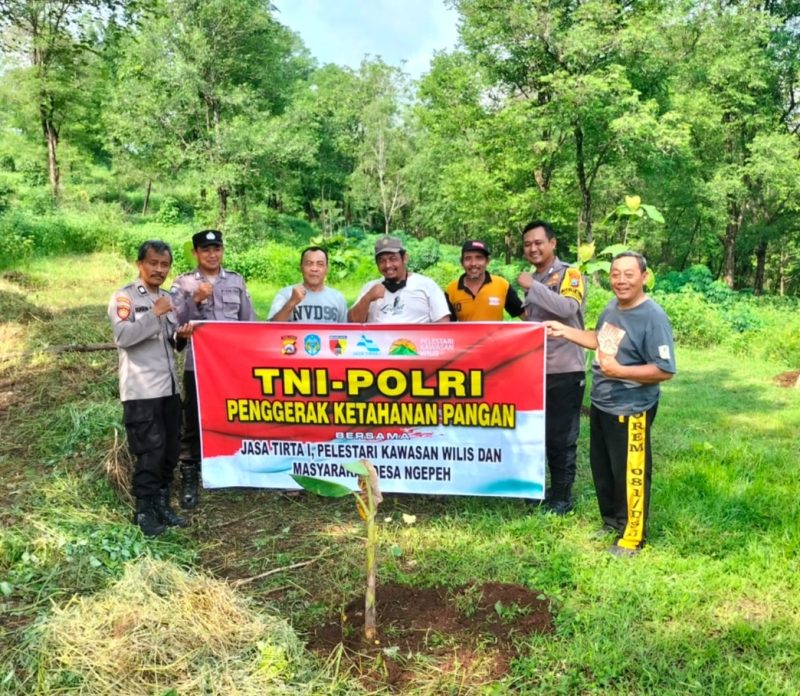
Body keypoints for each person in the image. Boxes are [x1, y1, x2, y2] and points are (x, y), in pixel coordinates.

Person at [545, 251, 676, 556]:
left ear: (644, 277)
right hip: (603, 405)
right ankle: (613, 522)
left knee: (631, 473)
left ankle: (632, 537)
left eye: (629, 274)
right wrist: (565, 331)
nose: (621, 280)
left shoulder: (653, 317)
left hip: (631, 409)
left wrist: (621, 371)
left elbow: (665, 369)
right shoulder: (612, 308)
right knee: (604, 469)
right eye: (616, 273)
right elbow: (601, 339)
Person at [108, 240, 193, 536]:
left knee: (170, 452)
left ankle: (162, 505)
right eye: (153, 263)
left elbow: (171, 344)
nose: (159, 269)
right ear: (140, 264)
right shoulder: (126, 298)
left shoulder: (168, 299)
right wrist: (153, 313)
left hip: (168, 390)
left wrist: (182, 336)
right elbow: (123, 337)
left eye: (164, 264)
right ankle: (143, 512)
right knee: (151, 453)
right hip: (142, 392)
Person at [170, 229, 256, 509]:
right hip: (199, 367)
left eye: (216, 248)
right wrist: (195, 300)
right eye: (205, 249)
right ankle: (191, 474)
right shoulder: (183, 284)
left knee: (235, 414)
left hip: (233, 366)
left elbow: (248, 323)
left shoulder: (236, 280)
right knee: (193, 420)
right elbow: (175, 325)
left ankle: (233, 470)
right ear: (195, 253)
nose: (212, 254)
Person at [518, 220, 587, 515]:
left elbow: (567, 309)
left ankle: (562, 496)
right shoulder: (534, 278)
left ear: (553, 243)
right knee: (536, 432)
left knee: (561, 435)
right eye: (527, 244)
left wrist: (532, 286)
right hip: (533, 369)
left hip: (564, 368)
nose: (533, 248)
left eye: (538, 242)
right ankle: (537, 489)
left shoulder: (569, 273)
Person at [348, 235, 450, 323]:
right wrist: (368, 298)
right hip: (376, 345)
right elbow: (351, 324)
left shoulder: (427, 285)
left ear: (405, 258)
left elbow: (443, 324)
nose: (388, 265)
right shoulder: (370, 288)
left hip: (416, 345)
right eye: (382, 261)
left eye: (393, 259)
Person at [444, 240, 524, 321]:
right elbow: (447, 326)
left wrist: (533, 288)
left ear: (487, 261)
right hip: (464, 334)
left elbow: (525, 315)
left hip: (494, 334)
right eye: (468, 258)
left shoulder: (502, 285)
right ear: (462, 262)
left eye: (479, 258)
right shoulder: (451, 290)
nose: (473, 263)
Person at [268, 246, 348, 323]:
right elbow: (270, 329)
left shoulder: (338, 298)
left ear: (327, 269)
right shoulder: (285, 294)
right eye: (309, 263)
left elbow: (346, 332)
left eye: (320, 264)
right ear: (301, 267)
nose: (314, 269)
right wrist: (291, 302)